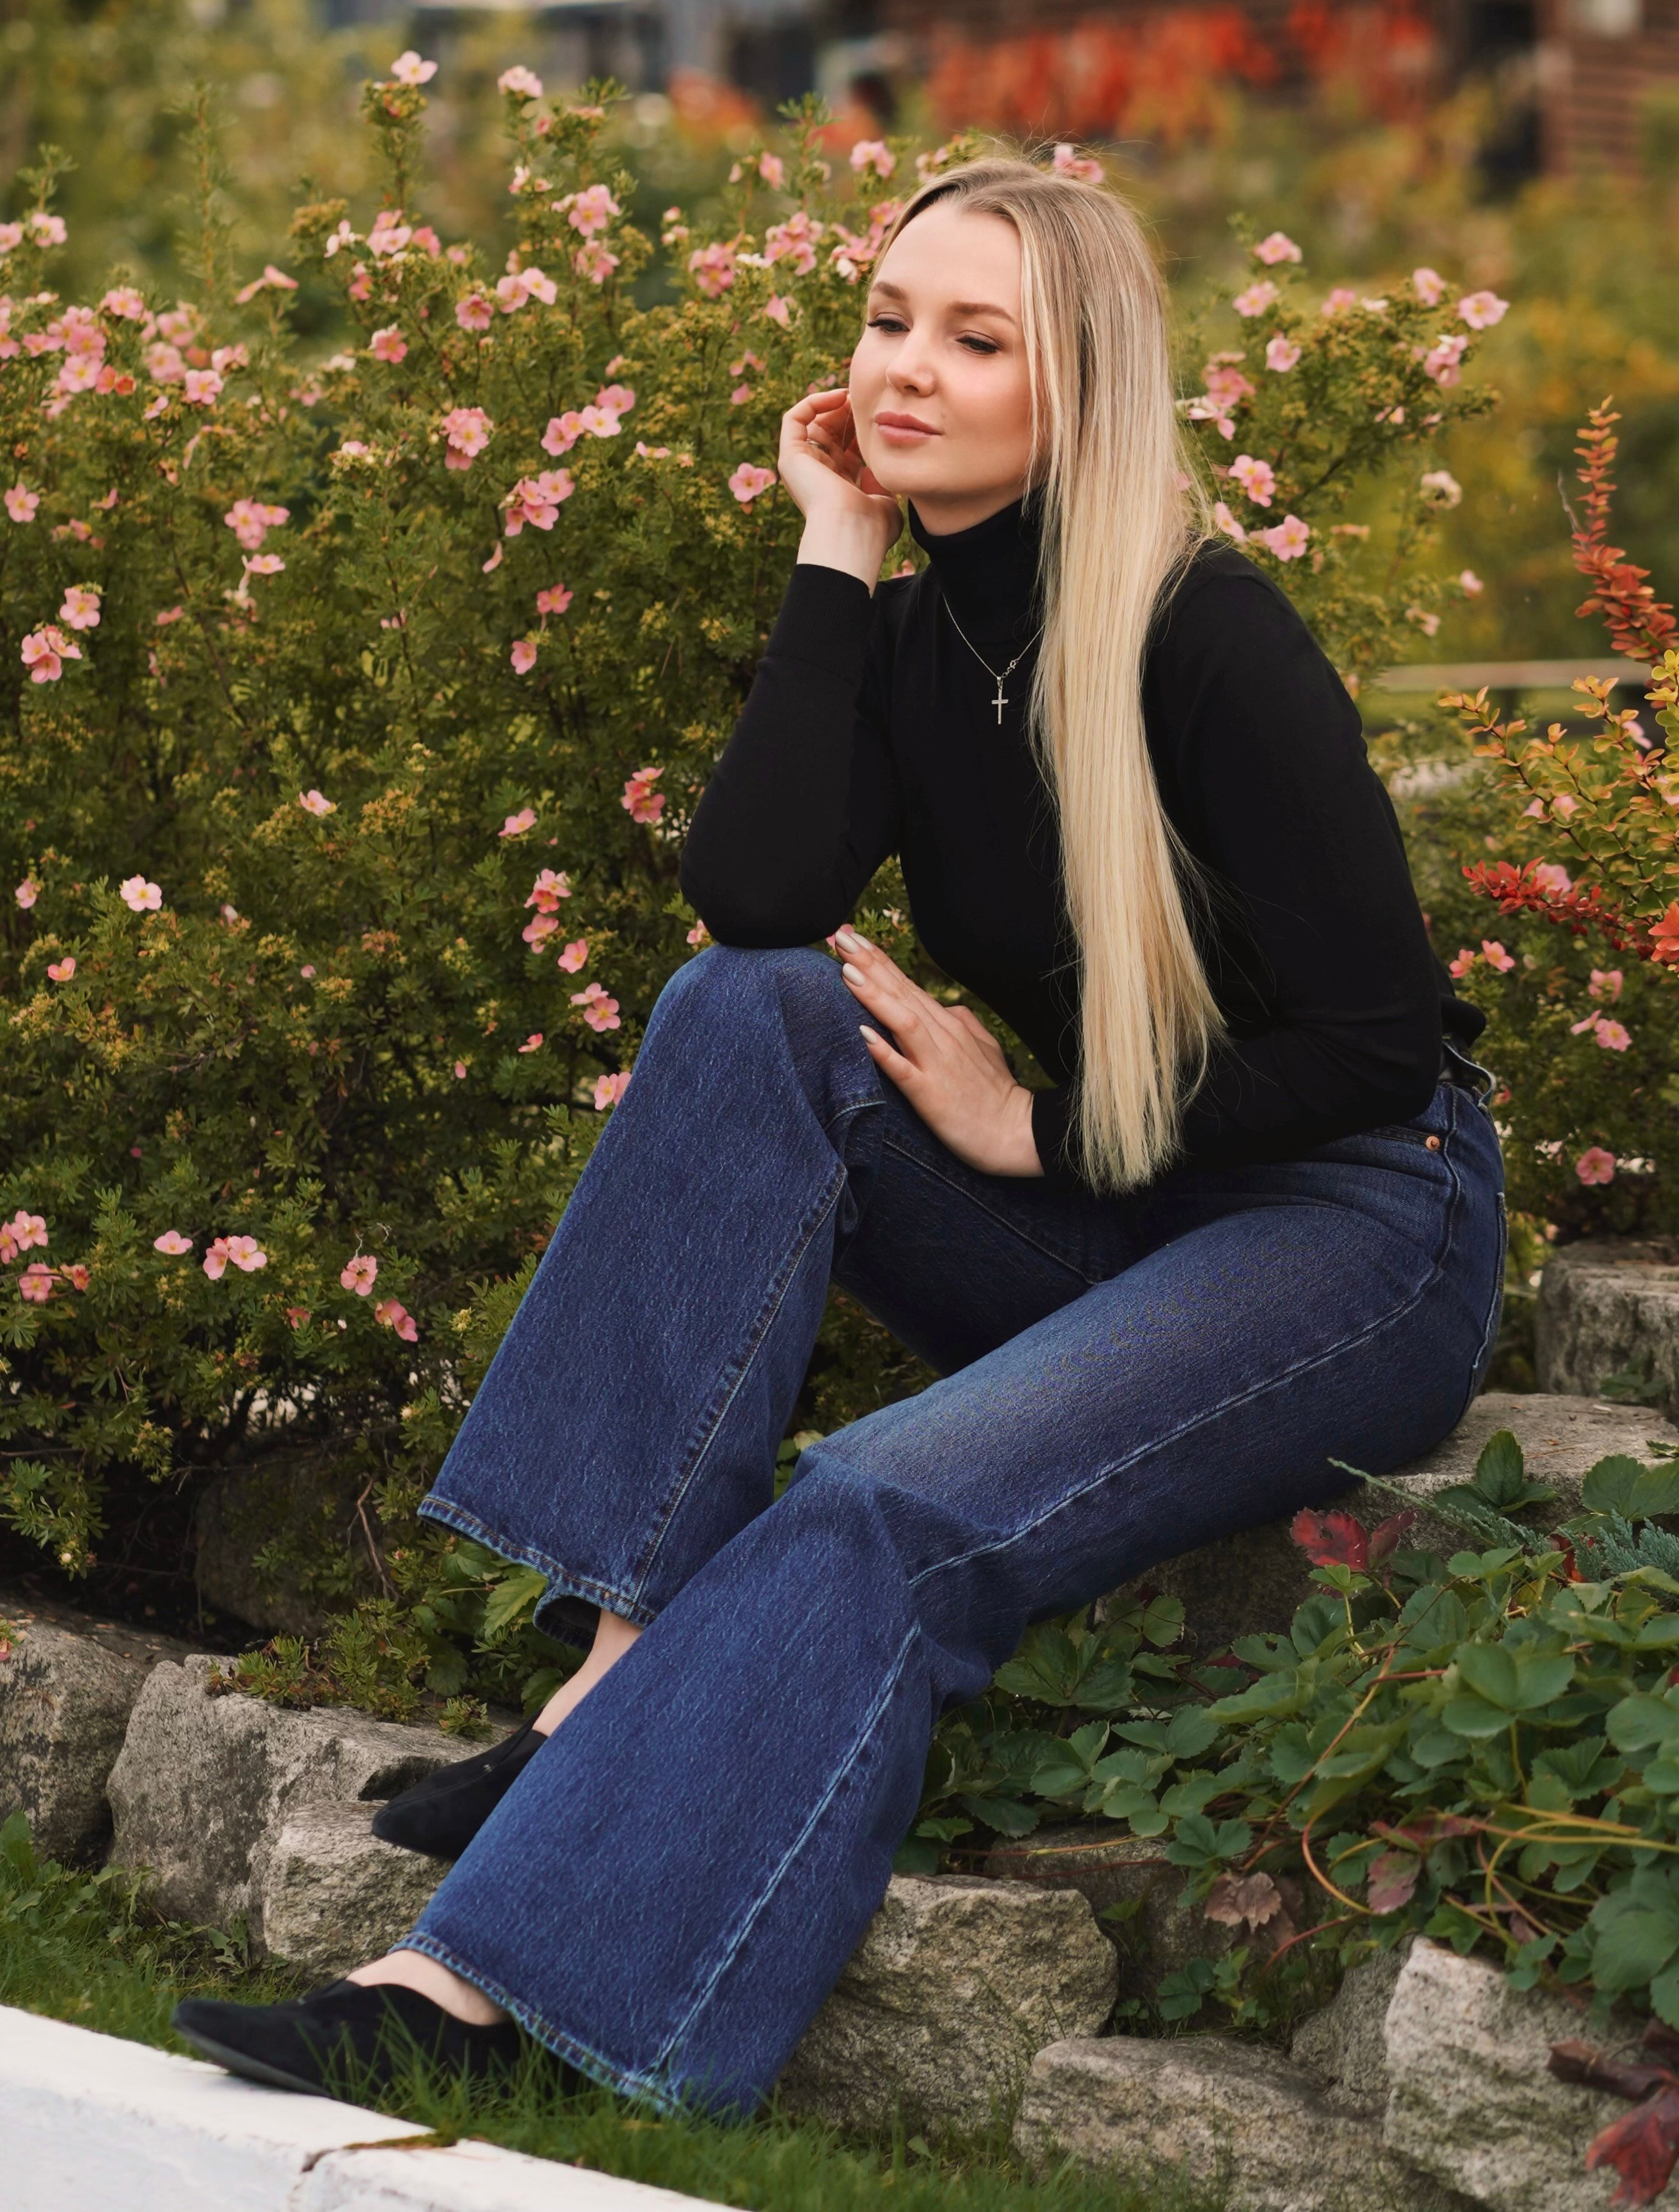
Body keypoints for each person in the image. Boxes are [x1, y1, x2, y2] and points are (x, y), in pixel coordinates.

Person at [173, 155, 1504, 2112]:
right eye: (890, 320)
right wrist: (833, 553)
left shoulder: (1206, 636)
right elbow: (759, 894)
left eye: (978, 340)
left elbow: (1382, 1048)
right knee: (753, 1008)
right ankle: (610, 1672)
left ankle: (489, 2000)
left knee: (886, 1494)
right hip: (1126, 1221)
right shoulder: (909, 637)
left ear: (1080, 385)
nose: (908, 368)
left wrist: (1041, 1132)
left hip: (1345, 1232)